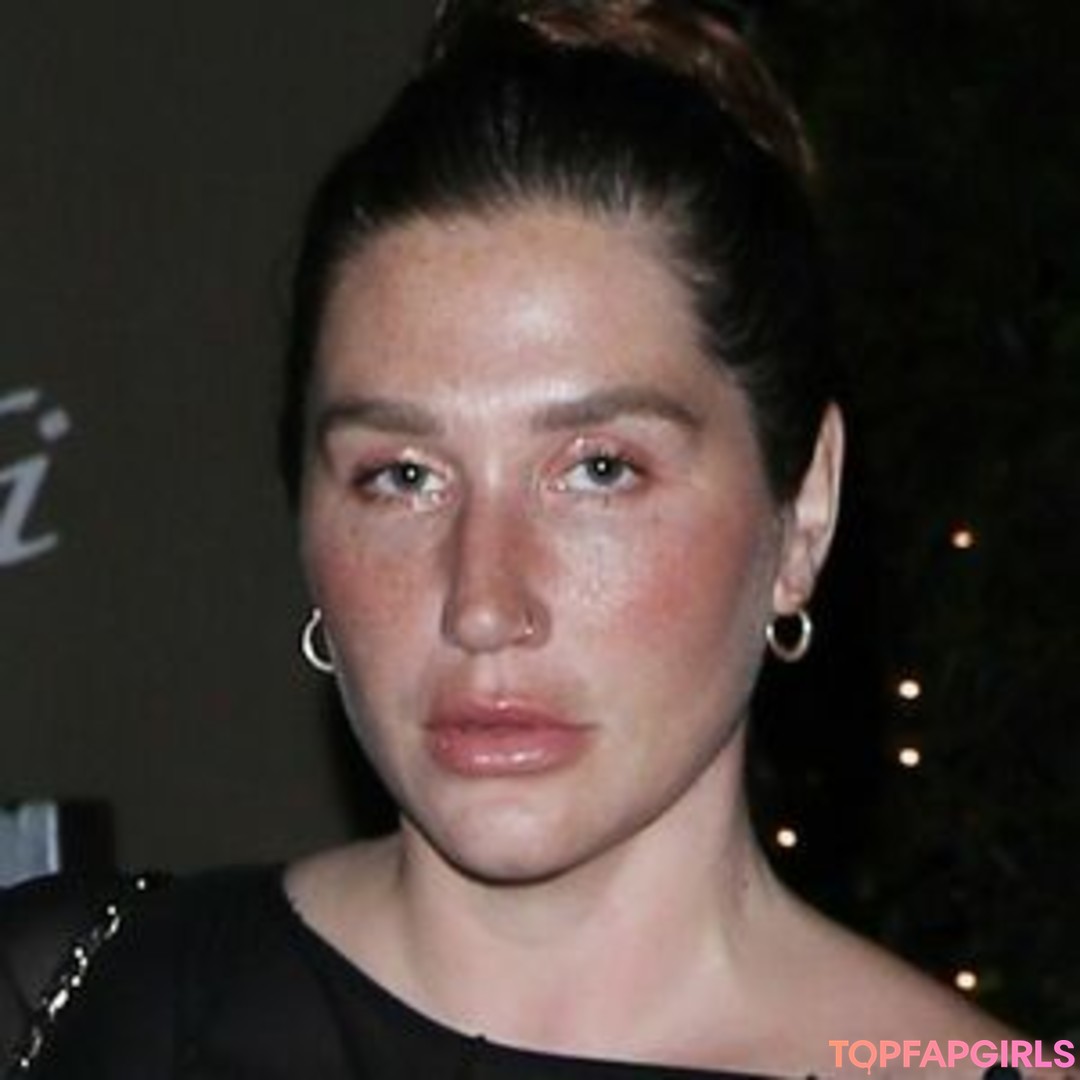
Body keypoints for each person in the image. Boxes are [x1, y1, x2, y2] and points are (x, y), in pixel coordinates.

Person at [2, 1, 1067, 1077]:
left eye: (599, 470)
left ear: (804, 512)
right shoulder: (66, 1000)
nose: (483, 602)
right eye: (403, 477)